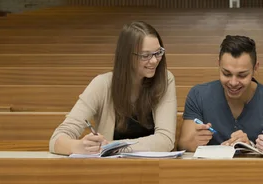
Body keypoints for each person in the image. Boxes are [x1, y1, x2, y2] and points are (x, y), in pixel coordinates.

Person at [49, 21, 177, 155]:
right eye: (145, 55)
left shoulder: (165, 79)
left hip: (154, 169)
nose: (154, 61)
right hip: (111, 170)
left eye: (158, 52)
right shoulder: (102, 84)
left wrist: (112, 146)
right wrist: (78, 147)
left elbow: (165, 140)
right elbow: (56, 139)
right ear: (127, 56)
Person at [178, 35, 263, 151]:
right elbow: (182, 145)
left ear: (255, 68)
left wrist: (249, 146)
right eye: (226, 73)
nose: (233, 82)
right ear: (218, 64)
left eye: (242, 75)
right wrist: (193, 141)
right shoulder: (198, 95)